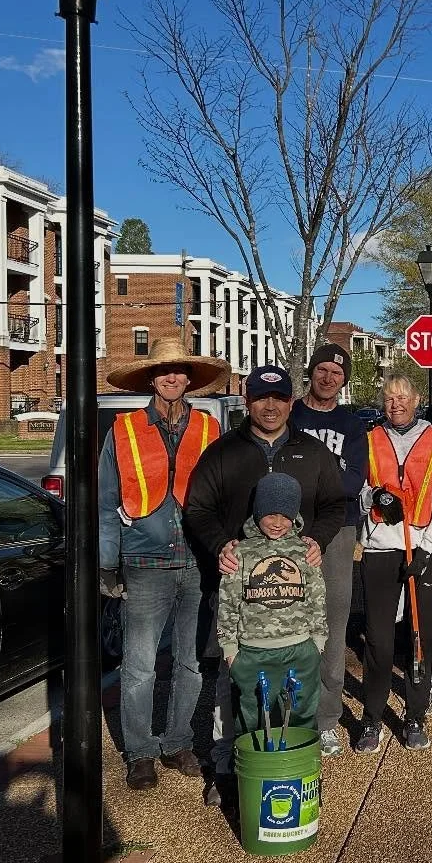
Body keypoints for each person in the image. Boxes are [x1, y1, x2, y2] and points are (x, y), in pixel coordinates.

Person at [184, 364, 348, 806]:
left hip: (293, 603)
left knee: (292, 687)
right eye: (260, 397)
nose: (270, 406)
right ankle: (225, 765)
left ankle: (288, 767)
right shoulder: (222, 454)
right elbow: (197, 508)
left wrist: (319, 539)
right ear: (247, 400)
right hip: (245, 598)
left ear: (291, 401)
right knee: (231, 680)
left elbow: (337, 505)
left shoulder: (313, 453)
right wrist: (221, 545)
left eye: (278, 398)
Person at [98, 337, 228, 792]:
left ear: (189, 379)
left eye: (179, 371)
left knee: (191, 663)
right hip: (144, 560)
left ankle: (177, 742)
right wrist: (107, 562)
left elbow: (223, 497)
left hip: (197, 560)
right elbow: (106, 500)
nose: (172, 378)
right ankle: (140, 752)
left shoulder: (210, 429)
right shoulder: (124, 430)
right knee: (139, 665)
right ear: (151, 377)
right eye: (164, 371)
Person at [356, 375, 432, 752]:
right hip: (382, 546)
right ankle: (372, 717)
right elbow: (359, 492)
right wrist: (377, 497)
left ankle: (415, 714)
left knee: (421, 636)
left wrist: (429, 548)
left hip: (423, 549)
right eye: (389, 398)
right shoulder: (368, 440)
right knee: (379, 639)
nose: (395, 404)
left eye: (402, 397)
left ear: (416, 400)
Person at [289, 344, 368, 758]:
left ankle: (326, 720)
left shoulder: (352, 426)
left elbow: (355, 480)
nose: (328, 378)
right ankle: (292, 712)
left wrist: (312, 481)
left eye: (336, 374)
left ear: (344, 380)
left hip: (338, 530)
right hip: (289, 529)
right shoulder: (291, 415)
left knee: (333, 624)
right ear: (311, 372)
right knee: (289, 621)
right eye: (322, 370)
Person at [216, 472, 329, 742]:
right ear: (257, 512)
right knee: (253, 719)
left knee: (301, 716)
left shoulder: (305, 551)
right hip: (253, 652)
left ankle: (300, 776)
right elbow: (228, 602)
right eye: (270, 514)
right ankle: (253, 777)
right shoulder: (240, 553)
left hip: (300, 650)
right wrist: (230, 650)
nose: (278, 523)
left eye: (285, 516)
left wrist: (318, 641)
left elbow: (317, 597)